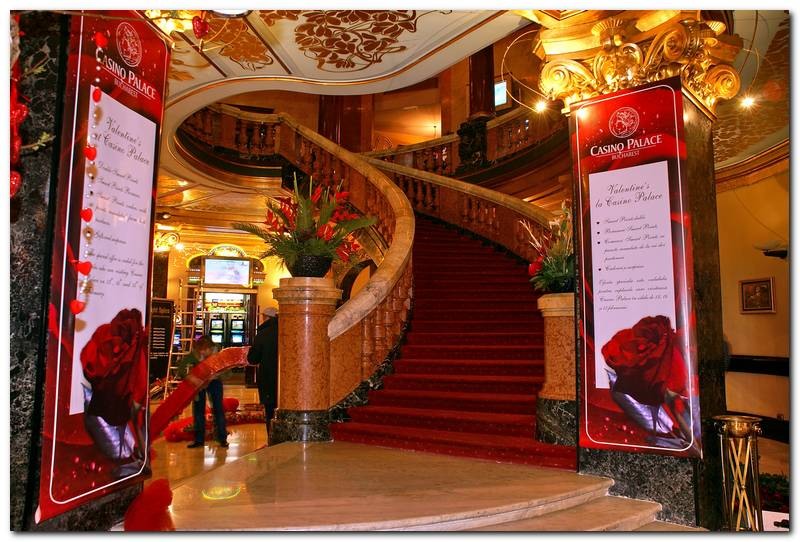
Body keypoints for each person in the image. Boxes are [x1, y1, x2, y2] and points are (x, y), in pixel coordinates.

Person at [177, 335, 229, 449]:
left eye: (205, 350)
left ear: (211, 348)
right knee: (198, 410)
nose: (202, 353)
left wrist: (214, 376)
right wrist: (191, 378)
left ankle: (222, 438)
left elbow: (227, 371)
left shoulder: (218, 354)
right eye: (200, 350)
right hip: (199, 383)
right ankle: (199, 440)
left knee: (218, 409)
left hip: (215, 382)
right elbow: (181, 368)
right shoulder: (195, 353)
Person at [247, 308, 279, 439]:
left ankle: (272, 439)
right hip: (286, 380)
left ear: (266, 317)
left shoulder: (262, 334)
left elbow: (253, 359)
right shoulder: (288, 331)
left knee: (270, 412)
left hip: (268, 379)